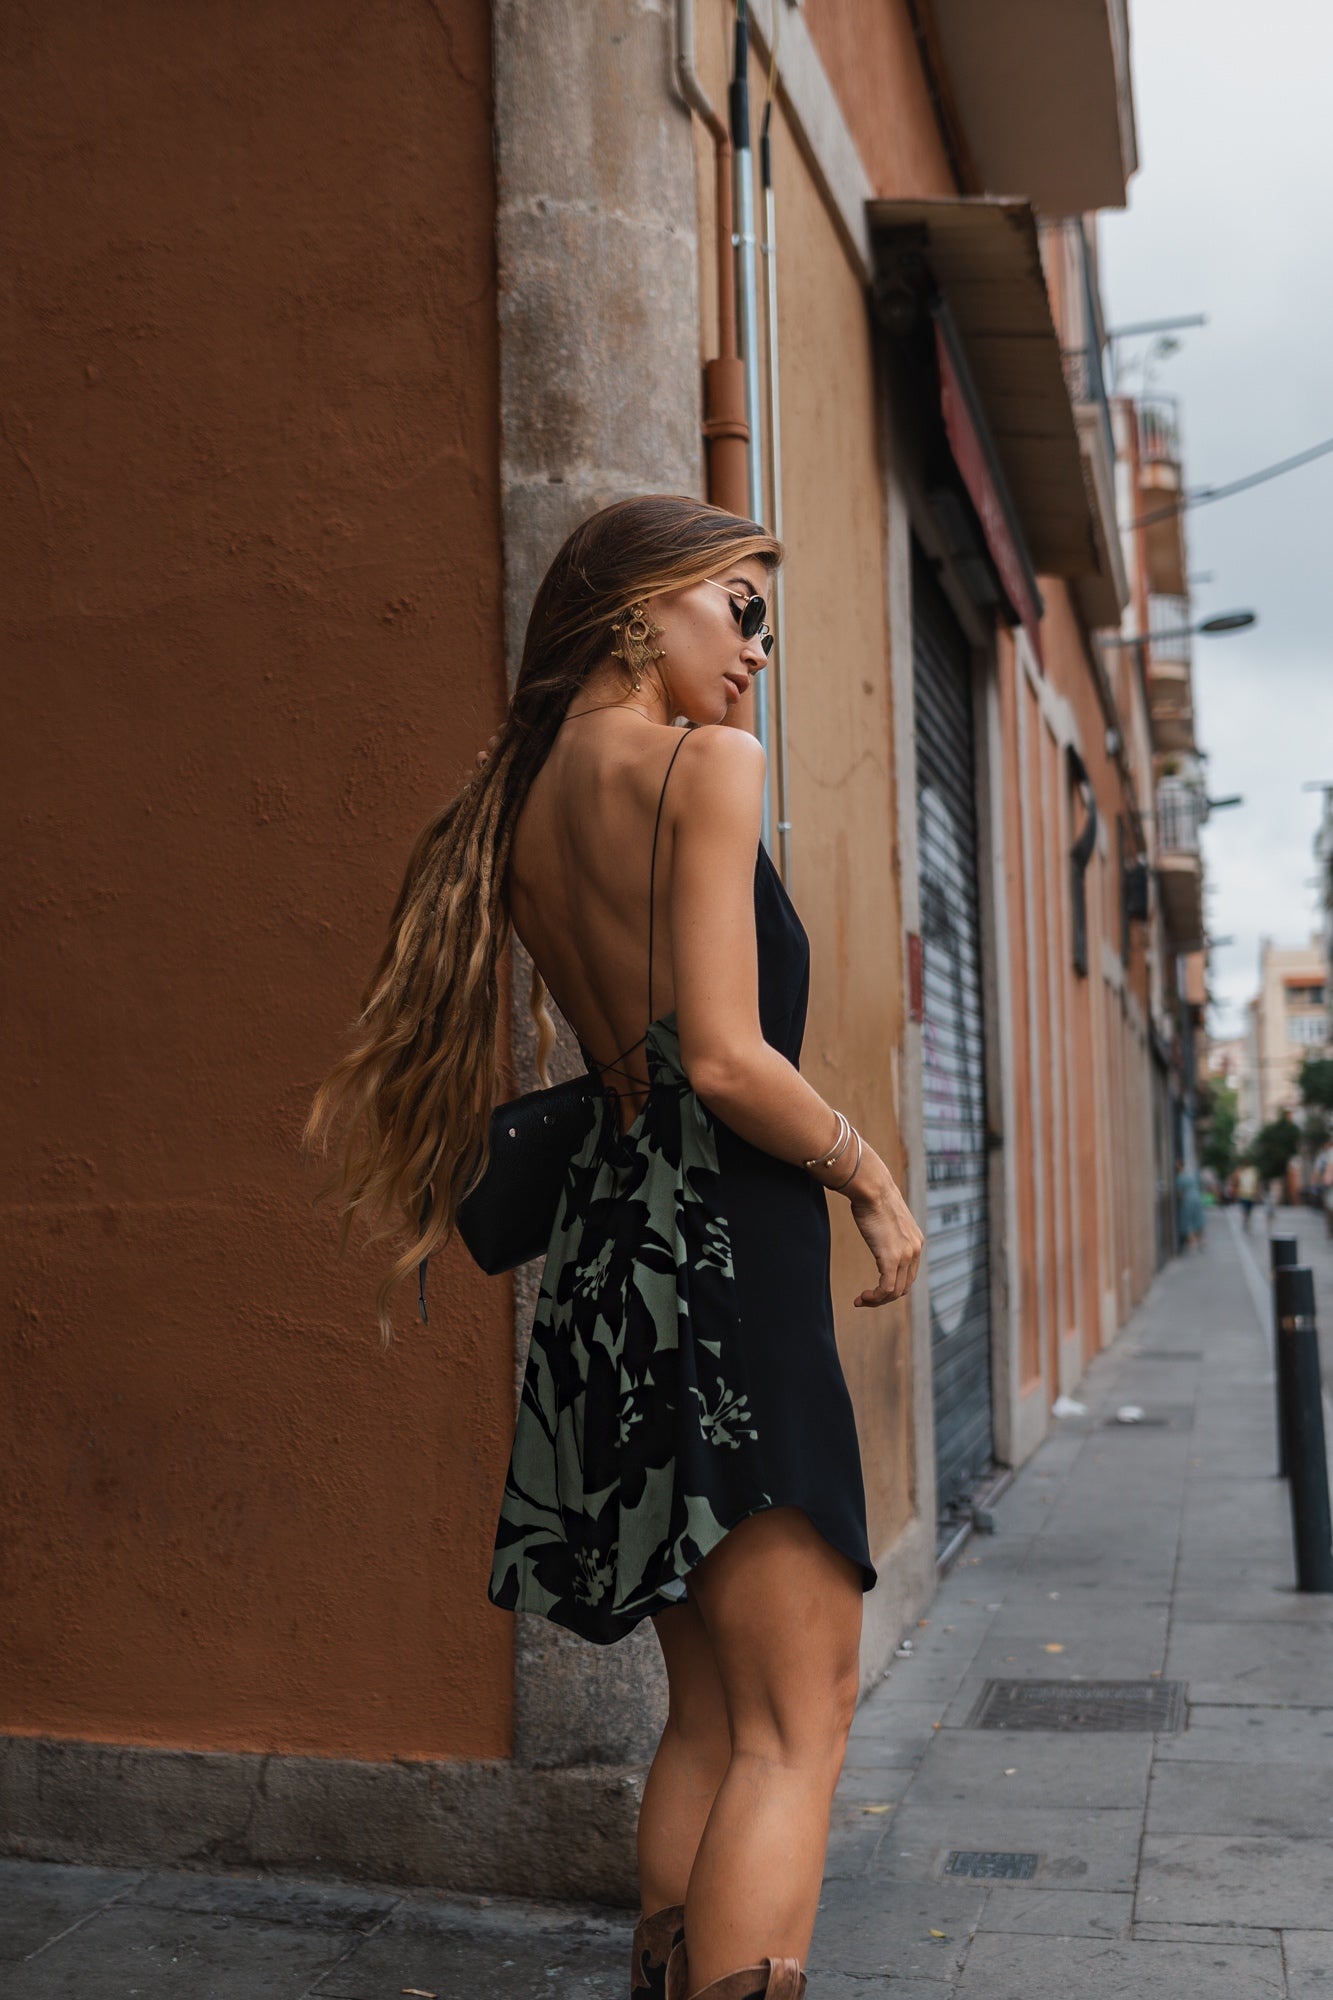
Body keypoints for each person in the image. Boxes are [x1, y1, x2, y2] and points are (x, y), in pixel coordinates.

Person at [304, 496, 924, 2000]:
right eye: (740, 608)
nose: (759, 651)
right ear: (641, 614)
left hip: (612, 1284)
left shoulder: (520, 818)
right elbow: (720, 1057)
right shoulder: (705, 767)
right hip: (727, 1265)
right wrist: (870, 1175)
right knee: (799, 1718)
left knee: (712, 1716)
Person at [1175, 1157, 1205, 1252]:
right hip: (1197, 1197)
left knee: (1187, 1221)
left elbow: (1179, 1193)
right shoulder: (1191, 1174)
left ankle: (1191, 1242)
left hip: (1188, 1199)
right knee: (1198, 1219)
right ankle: (1200, 1240)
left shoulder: (1180, 1177)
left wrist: (1180, 1199)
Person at [1236, 1159, 1260, 1230]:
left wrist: (1257, 1193)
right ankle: (1245, 1220)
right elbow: (1237, 1182)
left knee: (1248, 1209)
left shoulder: (1253, 1171)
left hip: (1250, 1193)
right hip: (1243, 1193)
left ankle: (1246, 1220)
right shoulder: (1241, 1171)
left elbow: (1255, 1183)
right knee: (1244, 1209)